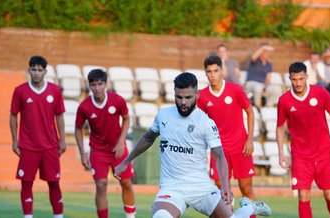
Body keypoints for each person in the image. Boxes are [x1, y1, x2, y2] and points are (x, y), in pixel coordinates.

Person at [115, 72, 271, 218]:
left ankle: (249, 207)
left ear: (197, 95)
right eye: (179, 97)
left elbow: (219, 155)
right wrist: (126, 161)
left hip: (201, 188)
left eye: (188, 97)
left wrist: (225, 185)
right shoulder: (164, 115)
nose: (183, 102)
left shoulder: (206, 123)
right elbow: (148, 138)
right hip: (172, 188)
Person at [276, 62, 330, 218]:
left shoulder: (320, 93)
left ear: (307, 77)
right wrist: (280, 153)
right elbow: (279, 127)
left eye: (301, 78)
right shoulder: (284, 100)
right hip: (300, 156)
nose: (298, 83)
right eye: (294, 79)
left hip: (324, 152)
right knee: (303, 196)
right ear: (289, 79)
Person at [197, 55, 258, 217]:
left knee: (246, 189)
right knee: (221, 192)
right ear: (205, 73)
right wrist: (202, 151)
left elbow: (250, 112)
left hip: (240, 147)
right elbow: (200, 126)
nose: (213, 75)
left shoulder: (236, 90)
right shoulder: (202, 96)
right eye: (209, 71)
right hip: (218, 150)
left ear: (222, 71)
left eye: (216, 71)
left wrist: (250, 139)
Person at [75, 69, 136, 218]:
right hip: (98, 151)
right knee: (101, 185)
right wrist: (83, 154)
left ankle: (131, 216)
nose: (97, 88)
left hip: (118, 150)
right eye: (93, 85)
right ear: (89, 86)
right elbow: (78, 129)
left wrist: (121, 141)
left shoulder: (117, 100)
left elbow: (126, 119)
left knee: (126, 183)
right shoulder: (84, 107)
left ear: (106, 84)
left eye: (100, 84)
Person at [10, 55, 66, 218]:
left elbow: (59, 116)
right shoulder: (20, 90)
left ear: (45, 72)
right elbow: (13, 115)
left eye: (39, 70)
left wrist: (62, 139)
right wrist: (15, 140)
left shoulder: (55, 91)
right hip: (28, 146)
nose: (36, 73)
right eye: (33, 69)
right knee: (26, 183)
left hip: (50, 145)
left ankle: (58, 216)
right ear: (29, 70)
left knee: (54, 182)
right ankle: (28, 216)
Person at [245, 43, 280, 108]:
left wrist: (265, 86)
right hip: (251, 83)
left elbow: (268, 78)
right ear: (261, 51)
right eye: (266, 51)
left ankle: (268, 107)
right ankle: (258, 106)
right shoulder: (255, 61)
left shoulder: (269, 64)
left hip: (262, 85)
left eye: (268, 52)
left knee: (277, 90)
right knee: (258, 87)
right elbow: (253, 57)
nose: (268, 53)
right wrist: (263, 47)